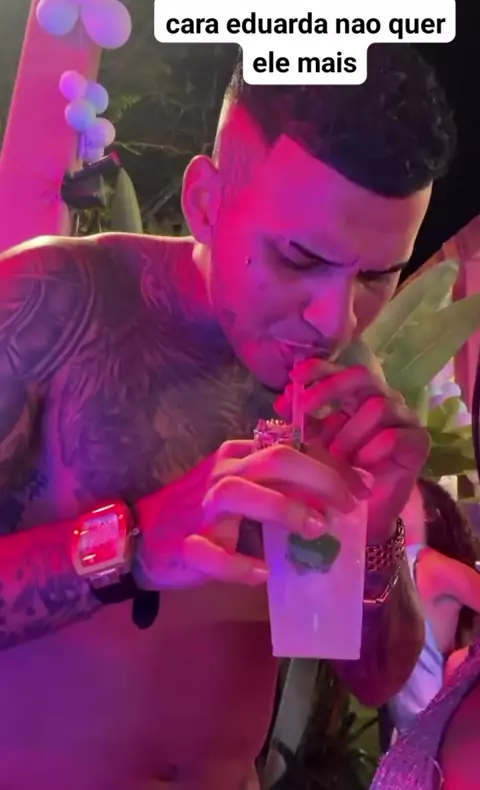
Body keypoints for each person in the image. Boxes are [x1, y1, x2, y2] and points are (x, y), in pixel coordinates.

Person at [0, 43, 454, 790]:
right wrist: (138, 540)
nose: (335, 319)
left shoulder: (343, 377)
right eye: (301, 258)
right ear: (206, 203)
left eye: (376, 275)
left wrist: (377, 538)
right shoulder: (48, 304)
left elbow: (376, 679)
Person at [387, 478, 480, 737]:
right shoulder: (387, 568)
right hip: (416, 730)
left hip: (438, 728)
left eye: (404, 494)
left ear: (428, 514)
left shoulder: (435, 567)